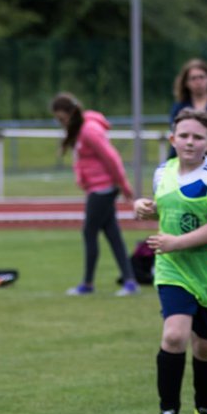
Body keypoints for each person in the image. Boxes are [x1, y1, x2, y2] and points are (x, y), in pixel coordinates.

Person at [133, 109, 207, 414]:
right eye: (183, 136)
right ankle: (168, 413)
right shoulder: (162, 172)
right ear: (172, 139)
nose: (190, 142)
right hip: (173, 268)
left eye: (198, 137)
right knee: (174, 336)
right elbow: (163, 206)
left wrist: (175, 241)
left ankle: (204, 409)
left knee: (205, 346)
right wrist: (145, 208)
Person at [50, 92, 138, 296]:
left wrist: (124, 185)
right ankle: (130, 280)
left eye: (62, 119)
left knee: (89, 232)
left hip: (103, 189)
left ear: (71, 113)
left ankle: (88, 283)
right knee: (112, 234)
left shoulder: (90, 130)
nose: (62, 123)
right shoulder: (80, 130)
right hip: (96, 189)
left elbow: (112, 158)